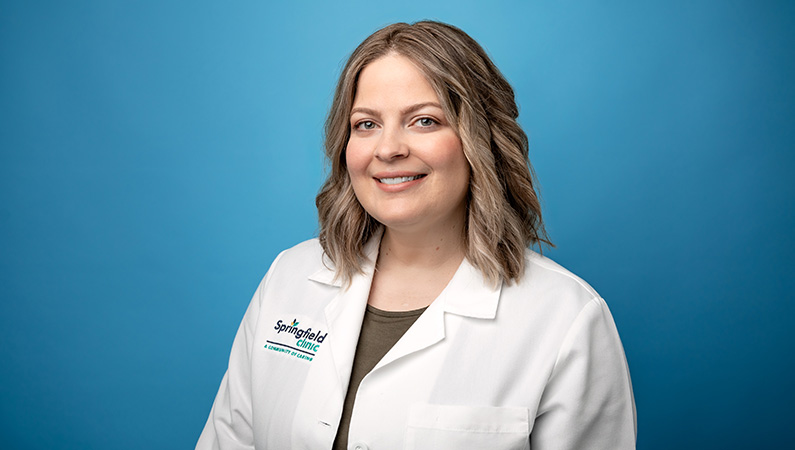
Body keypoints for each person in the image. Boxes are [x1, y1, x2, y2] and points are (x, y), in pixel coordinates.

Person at [197, 21, 636, 450]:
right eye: (366, 124)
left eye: (424, 121)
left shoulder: (566, 319)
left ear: (480, 139)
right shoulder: (288, 278)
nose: (388, 149)